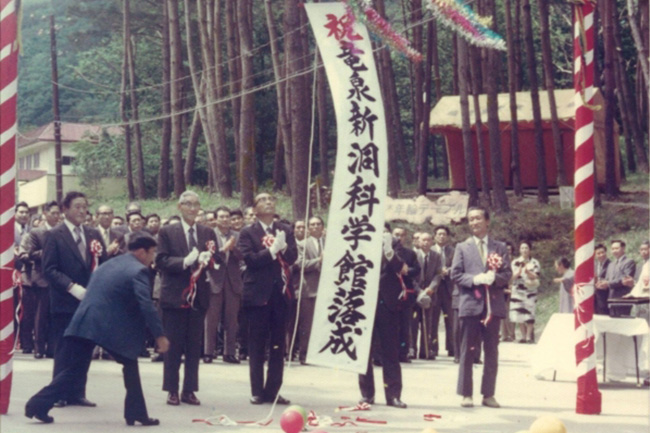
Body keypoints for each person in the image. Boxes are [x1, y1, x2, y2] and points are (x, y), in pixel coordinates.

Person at [25, 233, 169, 426]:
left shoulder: (109, 264)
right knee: (129, 365)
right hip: (106, 326)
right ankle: (136, 413)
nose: (153, 258)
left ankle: (37, 405)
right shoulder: (138, 270)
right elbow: (146, 305)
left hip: (86, 321)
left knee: (74, 370)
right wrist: (159, 336)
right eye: (152, 253)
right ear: (142, 252)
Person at [43, 191, 107, 408]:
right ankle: (59, 393)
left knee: (84, 347)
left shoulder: (93, 234)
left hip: (89, 301)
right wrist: (72, 287)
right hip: (65, 300)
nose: (82, 211)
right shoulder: (54, 235)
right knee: (64, 347)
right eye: (77, 206)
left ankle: (77, 392)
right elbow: (49, 269)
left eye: (85, 206)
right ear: (65, 209)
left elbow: (103, 264)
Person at [156, 191, 218, 406]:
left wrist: (208, 260)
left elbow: (216, 259)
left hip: (198, 297)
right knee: (173, 346)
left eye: (196, 204)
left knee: (194, 346)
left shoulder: (207, 231)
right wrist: (184, 261)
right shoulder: (167, 231)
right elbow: (161, 261)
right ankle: (171, 389)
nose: (192, 208)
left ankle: (189, 389)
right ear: (179, 206)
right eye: (188, 204)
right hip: (175, 295)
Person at [238, 193, 297, 405]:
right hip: (257, 295)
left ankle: (273, 390)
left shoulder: (285, 229)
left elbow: (292, 258)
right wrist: (271, 251)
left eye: (272, 199)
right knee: (256, 343)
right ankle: (257, 390)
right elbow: (251, 261)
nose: (269, 202)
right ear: (254, 208)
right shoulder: (247, 233)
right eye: (263, 200)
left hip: (281, 294)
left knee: (278, 344)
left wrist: (284, 248)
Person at [451, 207, 511, 409]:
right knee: (467, 350)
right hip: (470, 305)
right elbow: (455, 274)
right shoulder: (462, 247)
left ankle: (488, 394)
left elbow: (507, 274)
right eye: (470, 219)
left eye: (478, 218)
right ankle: (466, 394)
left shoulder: (499, 247)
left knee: (492, 351)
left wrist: (495, 279)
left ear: (487, 221)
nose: (474, 222)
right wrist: (475, 279)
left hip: (492, 306)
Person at [359, 227, 410, 409]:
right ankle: (367, 394)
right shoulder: (361, 238)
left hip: (387, 303)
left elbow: (402, 268)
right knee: (364, 352)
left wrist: (389, 250)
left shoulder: (394, 242)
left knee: (391, 351)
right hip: (363, 301)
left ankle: (393, 395)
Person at [18, 201, 61, 359]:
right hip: (39, 278)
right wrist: (49, 252)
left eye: (58, 213)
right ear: (46, 214)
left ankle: (52, 347)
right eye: (53, 213)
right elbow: (30, 254)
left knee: (53, 315)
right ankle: (38, 347)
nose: (57, 217)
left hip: (58, 279)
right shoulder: (37, 232)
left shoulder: (62, 231)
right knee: (39, 315)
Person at [204, 206, 243, 364]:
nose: (225, 219)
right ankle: (208, 351)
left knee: (231, 319)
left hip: (233, 281)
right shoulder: (209, 234)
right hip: (214, 280)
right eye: (221, 216)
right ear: (216, 219)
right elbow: (208, 256)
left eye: (227, 216)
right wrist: (222, 249)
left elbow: (243, 256)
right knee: (211, 318)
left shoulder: (238, 235)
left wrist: (233, 250)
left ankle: (229, 352)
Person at [294, 217, 325, 364]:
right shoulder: (302, 244)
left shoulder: (330, 243)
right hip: (309, 288)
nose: (315, 227)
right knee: (307, 323)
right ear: (308, 228)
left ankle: (321, 355)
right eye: (312, 225)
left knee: (324, 323)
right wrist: (318, 261)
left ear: (322, 226)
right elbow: (301, 264)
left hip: (328, 289)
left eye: (318, 224)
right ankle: (304, 354)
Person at [508, 241, 541, 343]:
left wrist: (527, 271)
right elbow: (510, 278)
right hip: (517, 291)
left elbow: (536, 276)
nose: (524, 250)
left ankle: (528, 337)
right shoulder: (514, 262)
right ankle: (522, 336)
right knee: (519, 312)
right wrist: (518, 273)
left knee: (530, 313)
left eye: (526, 248)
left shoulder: (535, 262)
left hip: (530, 291)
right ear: (519, 250)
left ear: (530, 250)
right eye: (522, 248)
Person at [416, 232, 442, 360]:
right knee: (413, 323)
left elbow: (438, 274)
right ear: (418, 242)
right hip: (415, 294)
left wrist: (431, 288)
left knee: (429, 323)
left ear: (432, 242)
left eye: (428, 240)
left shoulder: (436, 256)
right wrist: (419, 291)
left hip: (431, 294)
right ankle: (411, 349)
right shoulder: (413, 255)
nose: (426, 243)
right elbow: (410, 276)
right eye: (423, 240)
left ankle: (425, 350)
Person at [432, 225, 456, 358]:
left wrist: (449, 270)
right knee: (433, 319)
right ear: (435, 236)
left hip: (448, 289)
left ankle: (452, 347)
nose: (441, 236)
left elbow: (457, 266)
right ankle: (432, 347)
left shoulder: (453, 251)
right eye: (439, 234)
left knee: (450, 319)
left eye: (444, 234)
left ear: (447, 236)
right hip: (434, 288)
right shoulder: (429, 249)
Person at [596, 239, 636, 315]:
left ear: (623, 249)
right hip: (611, 299)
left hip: (623, 298)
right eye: (612, 249)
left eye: (617, 248)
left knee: (623, 322)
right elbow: (607, 280)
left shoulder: (629, 262)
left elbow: (625, 279)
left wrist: (608, 283)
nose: (614, 251)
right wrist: (601, 284)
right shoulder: (611, 264)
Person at [594, 244, 611, 315]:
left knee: (604, 316)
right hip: (595, 295)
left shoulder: (611, 264)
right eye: (598, 253)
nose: (601, 255)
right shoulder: (595, 265)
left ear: (606, 252)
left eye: (602, 252)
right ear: (595, 255)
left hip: (605, 295)